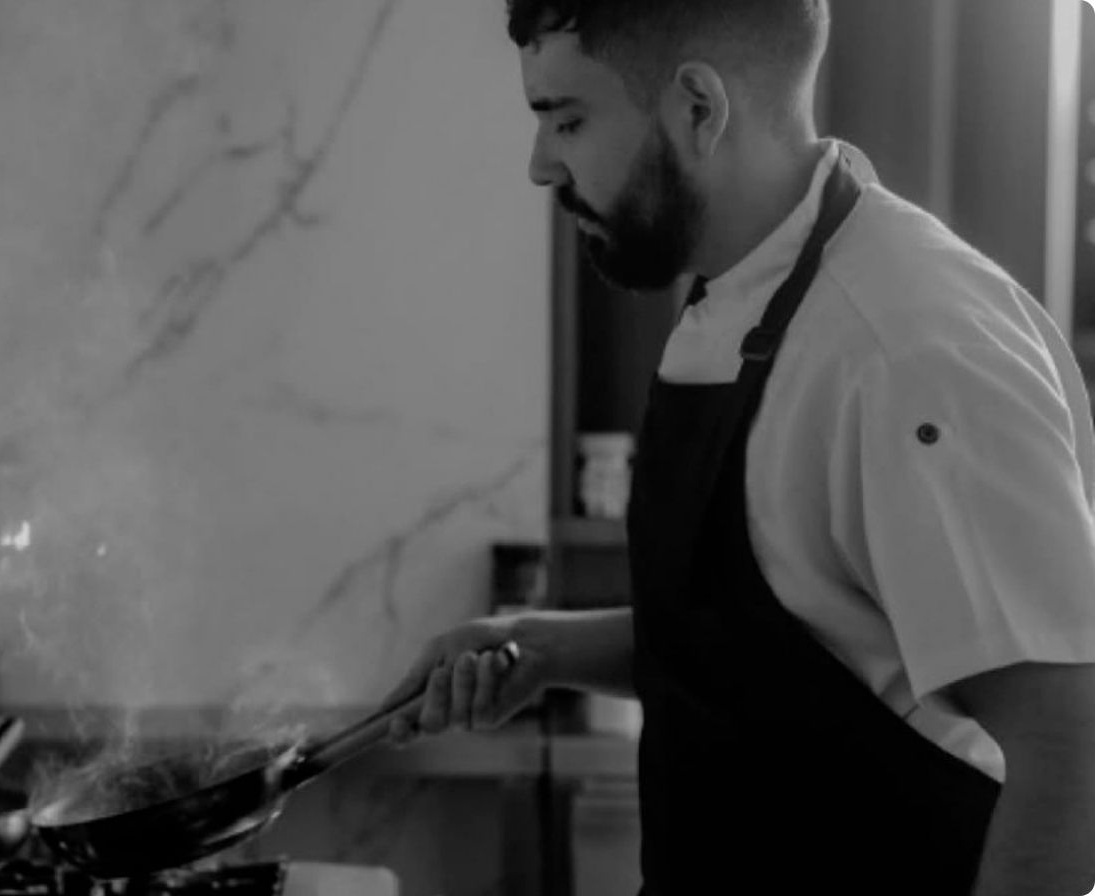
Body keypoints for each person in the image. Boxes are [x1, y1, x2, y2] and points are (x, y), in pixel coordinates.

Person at [380, 1, 1095, 893]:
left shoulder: (908, 347)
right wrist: (545, 647)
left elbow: (1068, 748)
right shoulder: (740, 297)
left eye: (568, 119)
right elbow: (792, 640)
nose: (540, 165)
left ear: (698, 108)